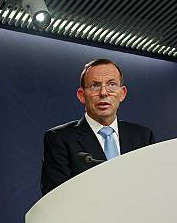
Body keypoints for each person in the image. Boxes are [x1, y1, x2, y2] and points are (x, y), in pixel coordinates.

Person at [41, 59, 155, 195]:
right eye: (95, 85)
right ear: (82, 95)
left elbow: (151, 188)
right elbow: (56, 198)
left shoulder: (143, 137)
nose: (103, 93)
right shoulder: (59, 138)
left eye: (111, 84)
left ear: (122, 93)